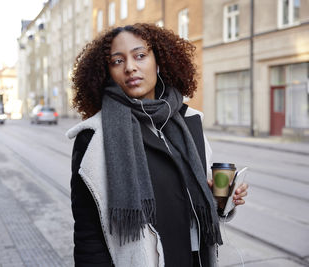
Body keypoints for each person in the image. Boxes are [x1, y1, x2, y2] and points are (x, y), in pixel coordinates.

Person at [67, 23, 249, 267]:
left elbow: (198, 208)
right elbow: (88, 236)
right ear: (107, 72)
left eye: (140, 56)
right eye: (117, 61)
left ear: (159, 61)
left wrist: (219, 203)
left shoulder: (189, 121)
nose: (130, 67)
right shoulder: (93, 136)